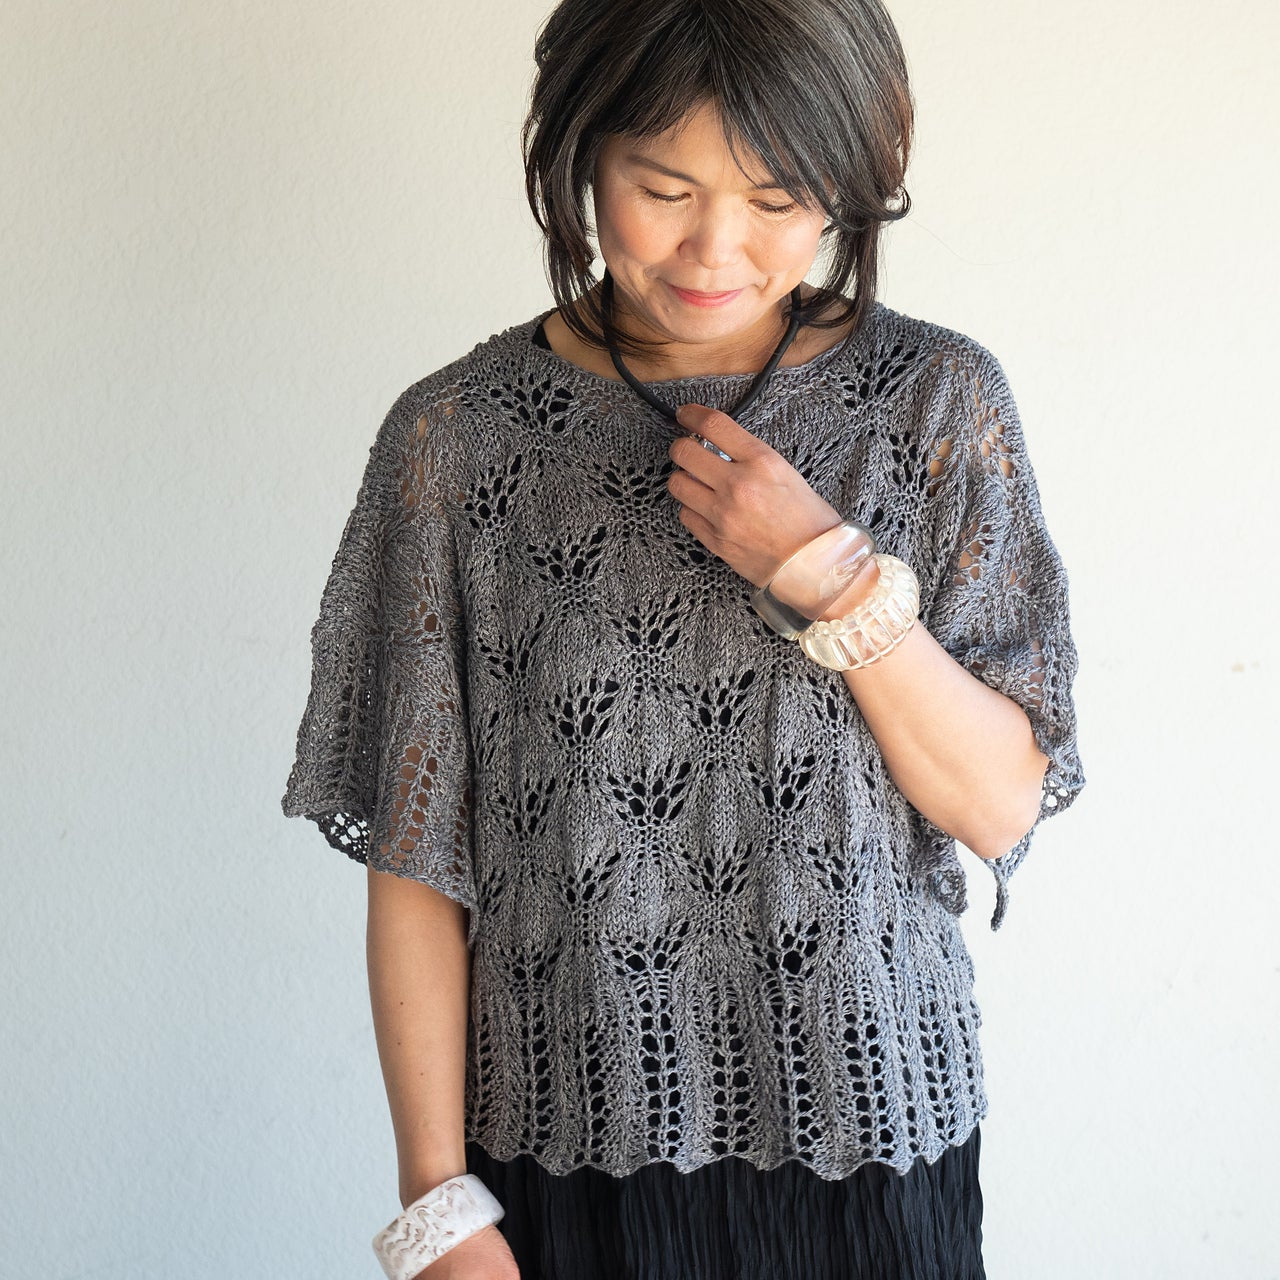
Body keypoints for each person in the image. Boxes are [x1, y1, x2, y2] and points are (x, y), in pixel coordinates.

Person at [280, 1, 1086, 1277]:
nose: (715, 247)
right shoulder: (458, 442)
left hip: (874, 1135)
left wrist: (830, 575)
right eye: (662, 188)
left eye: (777, 199)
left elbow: (1001, 806)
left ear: (850, 188)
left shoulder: (936, 403)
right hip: (559, 1158)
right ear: (579, 160)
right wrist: (434, 1209)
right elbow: (417, 854)